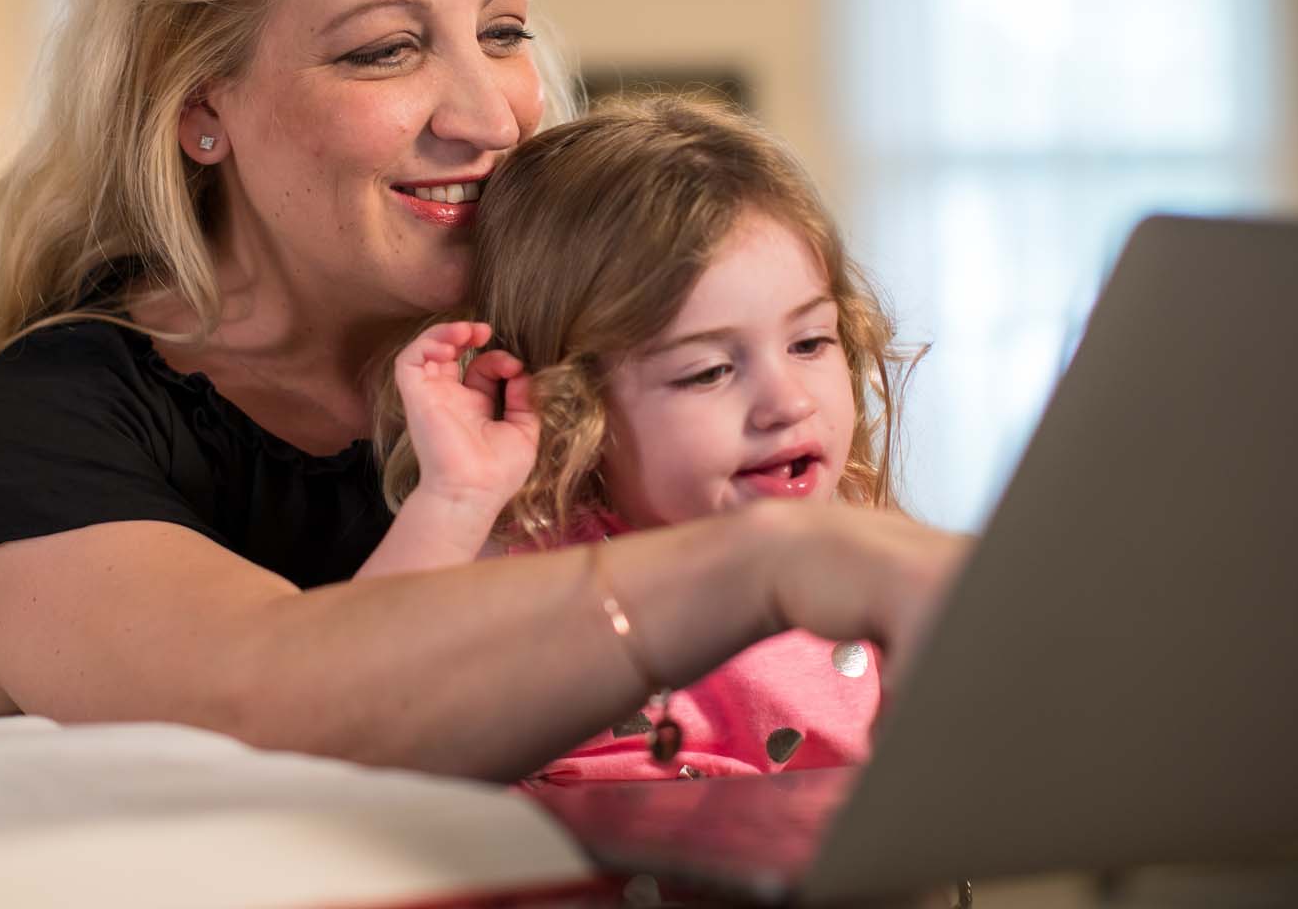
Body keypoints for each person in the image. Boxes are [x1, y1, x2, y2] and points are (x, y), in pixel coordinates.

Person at [0, 0, 970, 782]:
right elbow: (263, 706)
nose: (487, 116)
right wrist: (762, 564)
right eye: (386, 49)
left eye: (503, 30)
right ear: (201, 108)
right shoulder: (44, 427)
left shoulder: (568, 351)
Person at [364, 97, 916, 780]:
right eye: (709, 370)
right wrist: (456, 497)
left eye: (810, 341)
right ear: (574, 406)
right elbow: (364, 690)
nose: (789, 402)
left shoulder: (867, 565)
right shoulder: (535, 563)